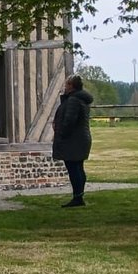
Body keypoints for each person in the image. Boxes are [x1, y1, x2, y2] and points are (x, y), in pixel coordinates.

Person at [51, 75, 94, 208]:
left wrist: (60, 132)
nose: (65, 87)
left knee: (74, 168)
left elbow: (69, 121)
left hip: (73, 140)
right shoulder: (79, 100)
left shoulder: (74, 101)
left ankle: (77, 197)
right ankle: (79, 195)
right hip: (80, 139)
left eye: (67, 84)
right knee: (78, 167)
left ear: (71, 86)